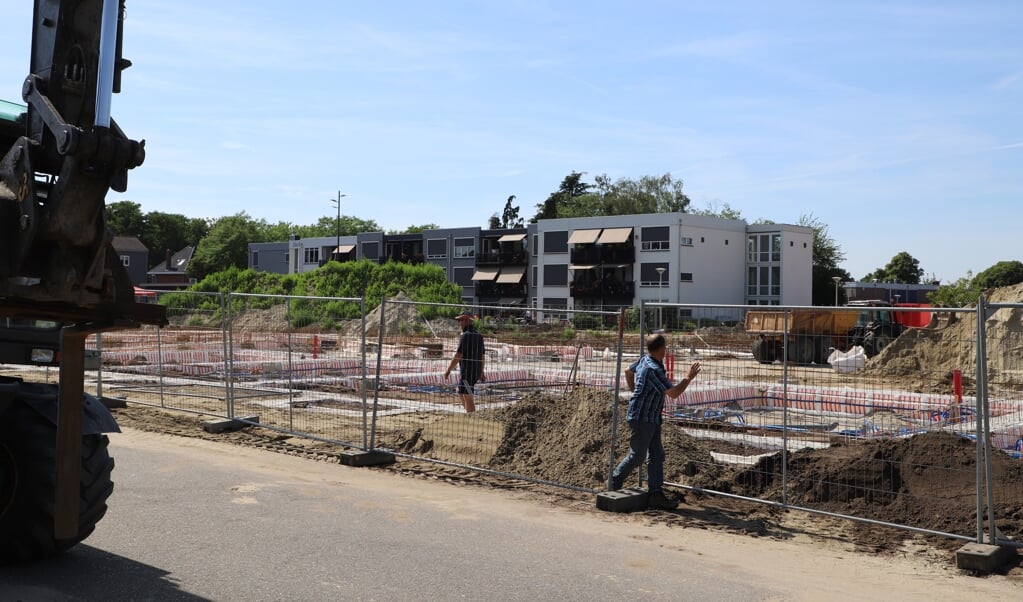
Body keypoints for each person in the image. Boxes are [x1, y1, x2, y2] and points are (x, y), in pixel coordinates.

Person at [611, 333, 701, 510]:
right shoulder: (654, 369)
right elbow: (673, 393)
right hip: (643, 417)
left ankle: (655, 494)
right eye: (665, 347)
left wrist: (635, 391)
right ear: (662, 349)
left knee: (656, 455)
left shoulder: (645, 360)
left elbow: (629, 372)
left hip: (650, 416)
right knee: (637, 455)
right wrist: (688, 377)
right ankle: (613, 482)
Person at [444, 309, 485, 413]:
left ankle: (471, 417)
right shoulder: (479, 336)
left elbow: (458, 355)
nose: (460, 323)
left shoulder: (465, 336)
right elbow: (482, 356)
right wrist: (481, 371)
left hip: (468, 372)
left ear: (467, 321)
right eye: (460, 320)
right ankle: (468, 413)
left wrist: (448, 370)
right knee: (460, 391)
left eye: (461, 320)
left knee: (468, 395)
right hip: (474, 371)